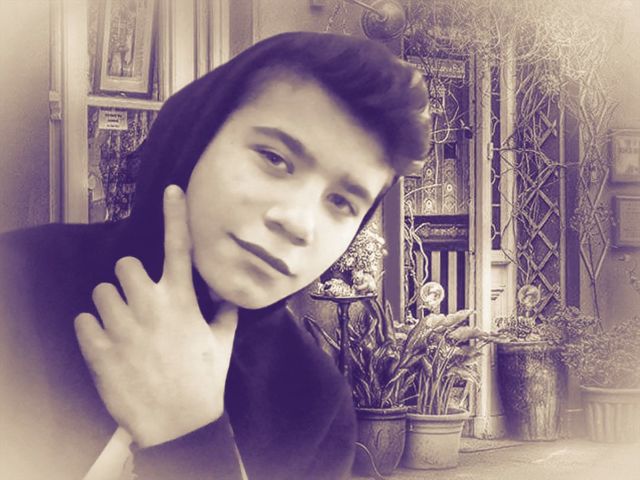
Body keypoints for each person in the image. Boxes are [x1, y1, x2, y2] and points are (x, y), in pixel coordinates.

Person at [0, 31, 429, 479]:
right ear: (196, 138)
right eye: (274, 158)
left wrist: (191, 437)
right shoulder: (18, 286)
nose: (299, 223)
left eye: (341, 202)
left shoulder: (314, 406)